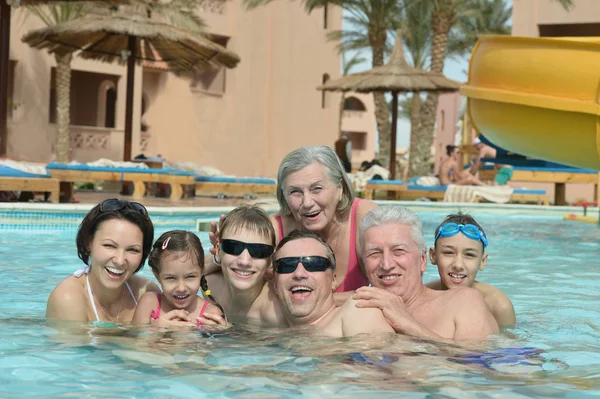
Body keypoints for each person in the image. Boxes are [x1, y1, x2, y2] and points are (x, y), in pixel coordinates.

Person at [210, 146, 377, 294]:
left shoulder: (364, 218)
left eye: (317, 189)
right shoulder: (274, 229)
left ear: (340, 189)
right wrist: (224, 250)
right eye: (295, 192)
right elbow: (197, 267)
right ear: (284, 196)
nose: (307, 203)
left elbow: (393, 287)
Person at [353, 206, 499, 342]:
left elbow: (480, 362)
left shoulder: (463, 302)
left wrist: (408, 325)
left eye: (399, 251)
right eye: (374, 253)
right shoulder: (355, 309)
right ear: (364, 263)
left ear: (423, 260)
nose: (386, 264)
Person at [46, 198, 159, 323]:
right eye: (109, 246)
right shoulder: (68, 298)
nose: (120, 261)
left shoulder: (146, 293)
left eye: (132, 249)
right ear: (89, 243)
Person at [273, 230, 395, 337]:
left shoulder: (357, 312)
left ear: (333, 280)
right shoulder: (269, 326)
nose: (299, 274)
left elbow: (381, 361)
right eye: (286, 266)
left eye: (314, 264)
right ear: (275, 284)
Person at [426, 213, 516, 327]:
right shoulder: (424, 298)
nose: (458, 265)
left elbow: (509, 343)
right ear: (433, 255)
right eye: (449, 252)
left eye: (469, 254)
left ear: (483, 261)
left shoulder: (498, 306)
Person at [206, 205, 287, 326]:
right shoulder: (209, 287)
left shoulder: (275, 314)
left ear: (271, 258)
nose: (244, 261)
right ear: (218, 250)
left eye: (258, 251)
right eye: (233, 247)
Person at [132, 230, 227, 326]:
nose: (181, 288)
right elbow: (135, 339)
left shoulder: (210, 314)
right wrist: (155, 329)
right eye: (171, 278)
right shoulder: (149, 303)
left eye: (190, 276)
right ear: (157, 276)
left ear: (202, 273)